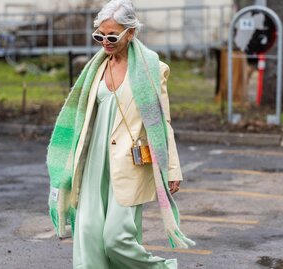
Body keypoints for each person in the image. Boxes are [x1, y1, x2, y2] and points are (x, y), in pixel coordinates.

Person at [46, 0, 195, 268]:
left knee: (117, 238)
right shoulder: (95, 69)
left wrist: (172, 168)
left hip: (129, 162)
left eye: (112, 35)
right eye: (99, 35)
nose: (105, 41)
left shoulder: (152, 69)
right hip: (93, 160)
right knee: (88, 233)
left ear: (131, 32)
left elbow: (164, 123)